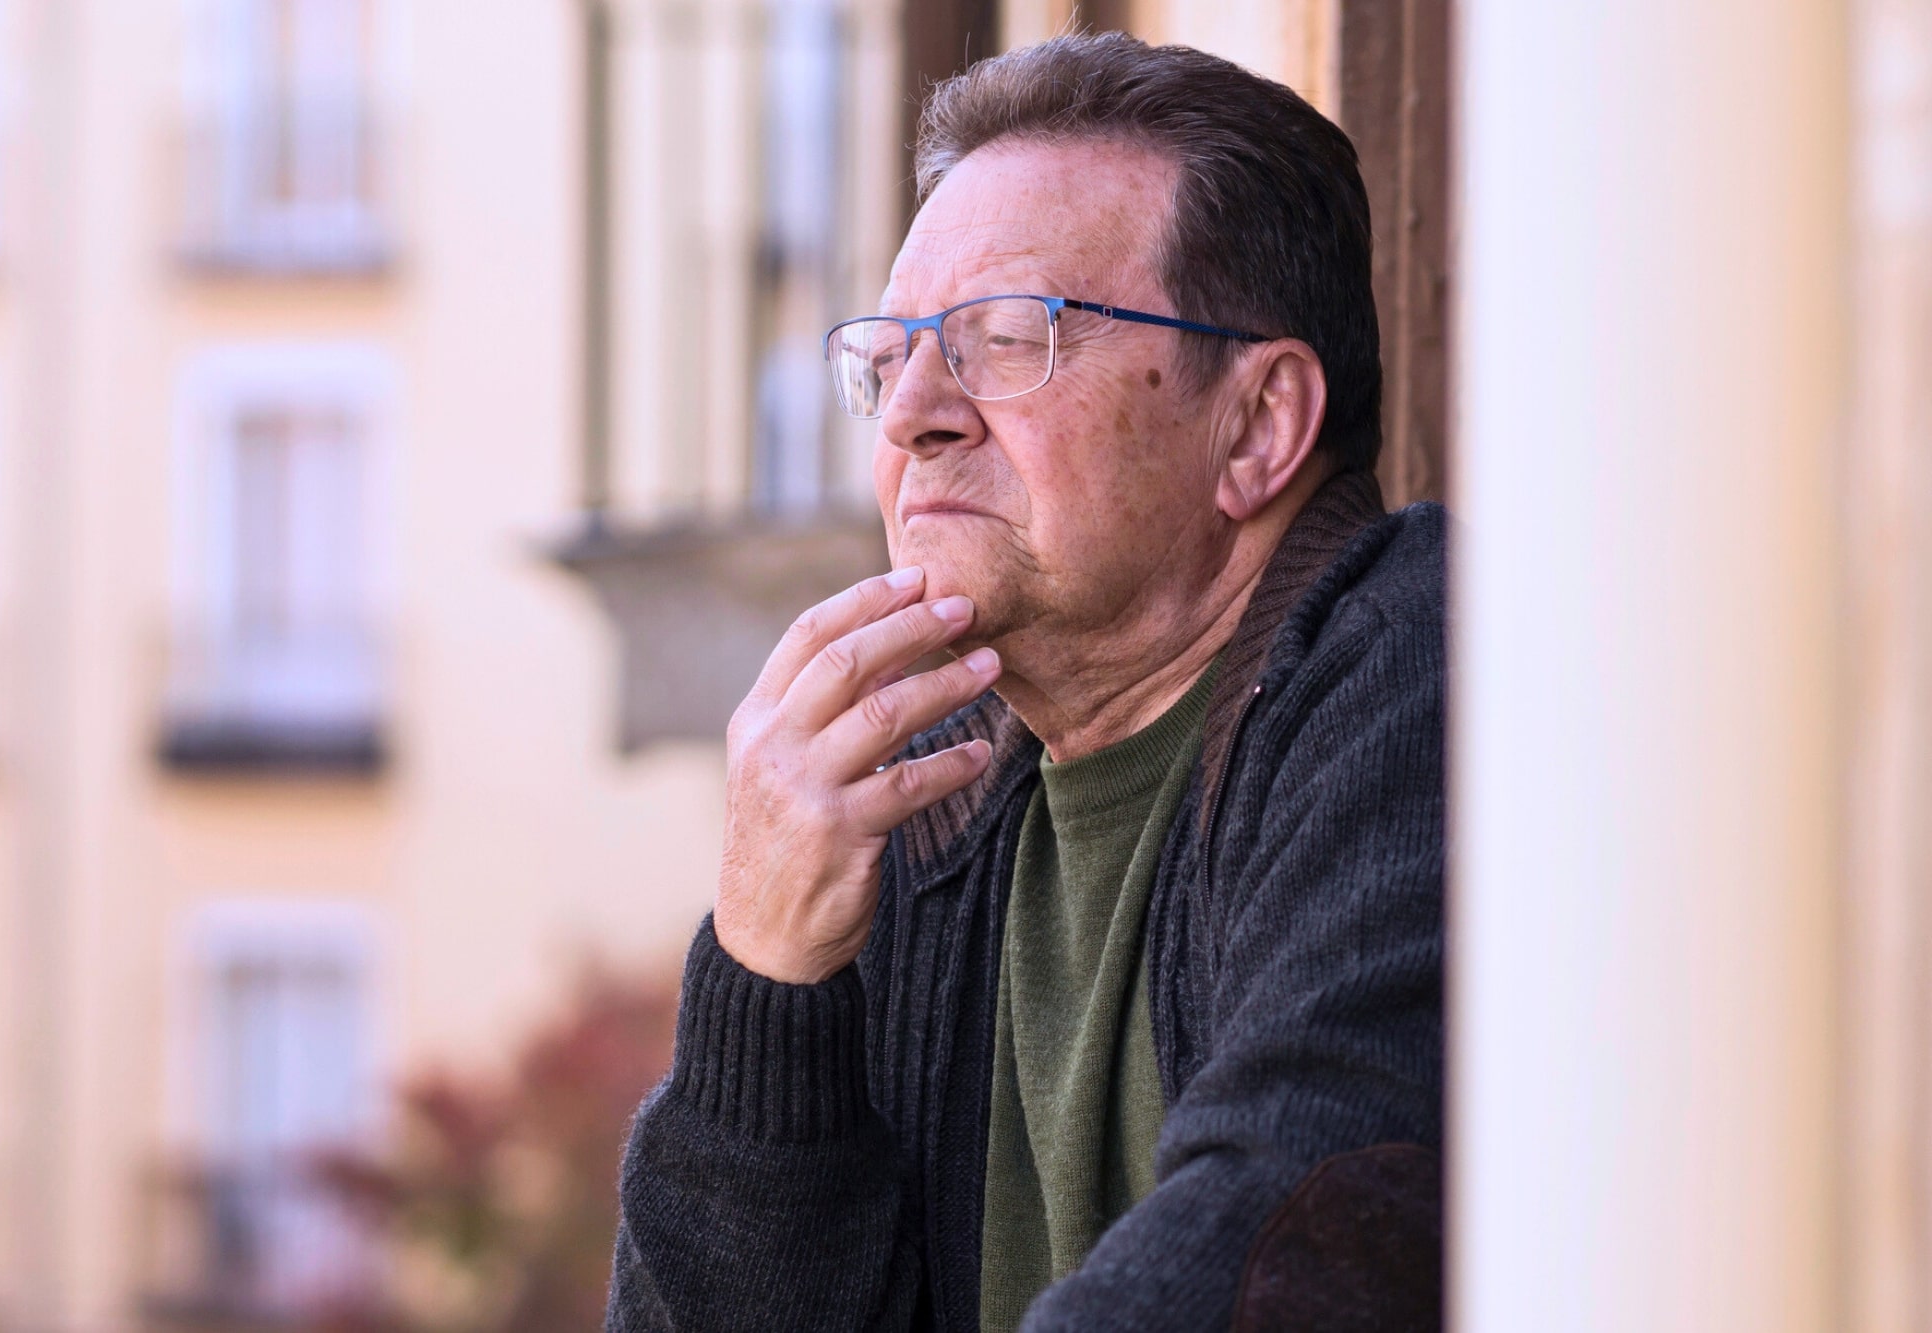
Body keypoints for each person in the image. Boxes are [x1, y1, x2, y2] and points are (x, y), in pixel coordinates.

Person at [608, 31, 1445, 1333]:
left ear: (1260, 425)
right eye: (889, 357)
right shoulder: (910, 799)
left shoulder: (1414, 672)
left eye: (1008, 337)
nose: (912, 415)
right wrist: (763, 976)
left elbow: (1300, 1230)